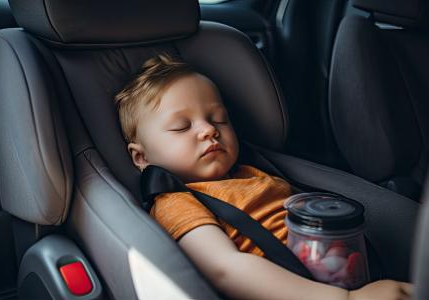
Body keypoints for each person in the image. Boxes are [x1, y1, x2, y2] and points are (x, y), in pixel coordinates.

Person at [115, 53, 412, 300]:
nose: (209, 130)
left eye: (219, 119)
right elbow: (225, 268)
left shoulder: (251, 172)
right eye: (182, 126)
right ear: (142, 157)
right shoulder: (175, 202)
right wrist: (345, 298)